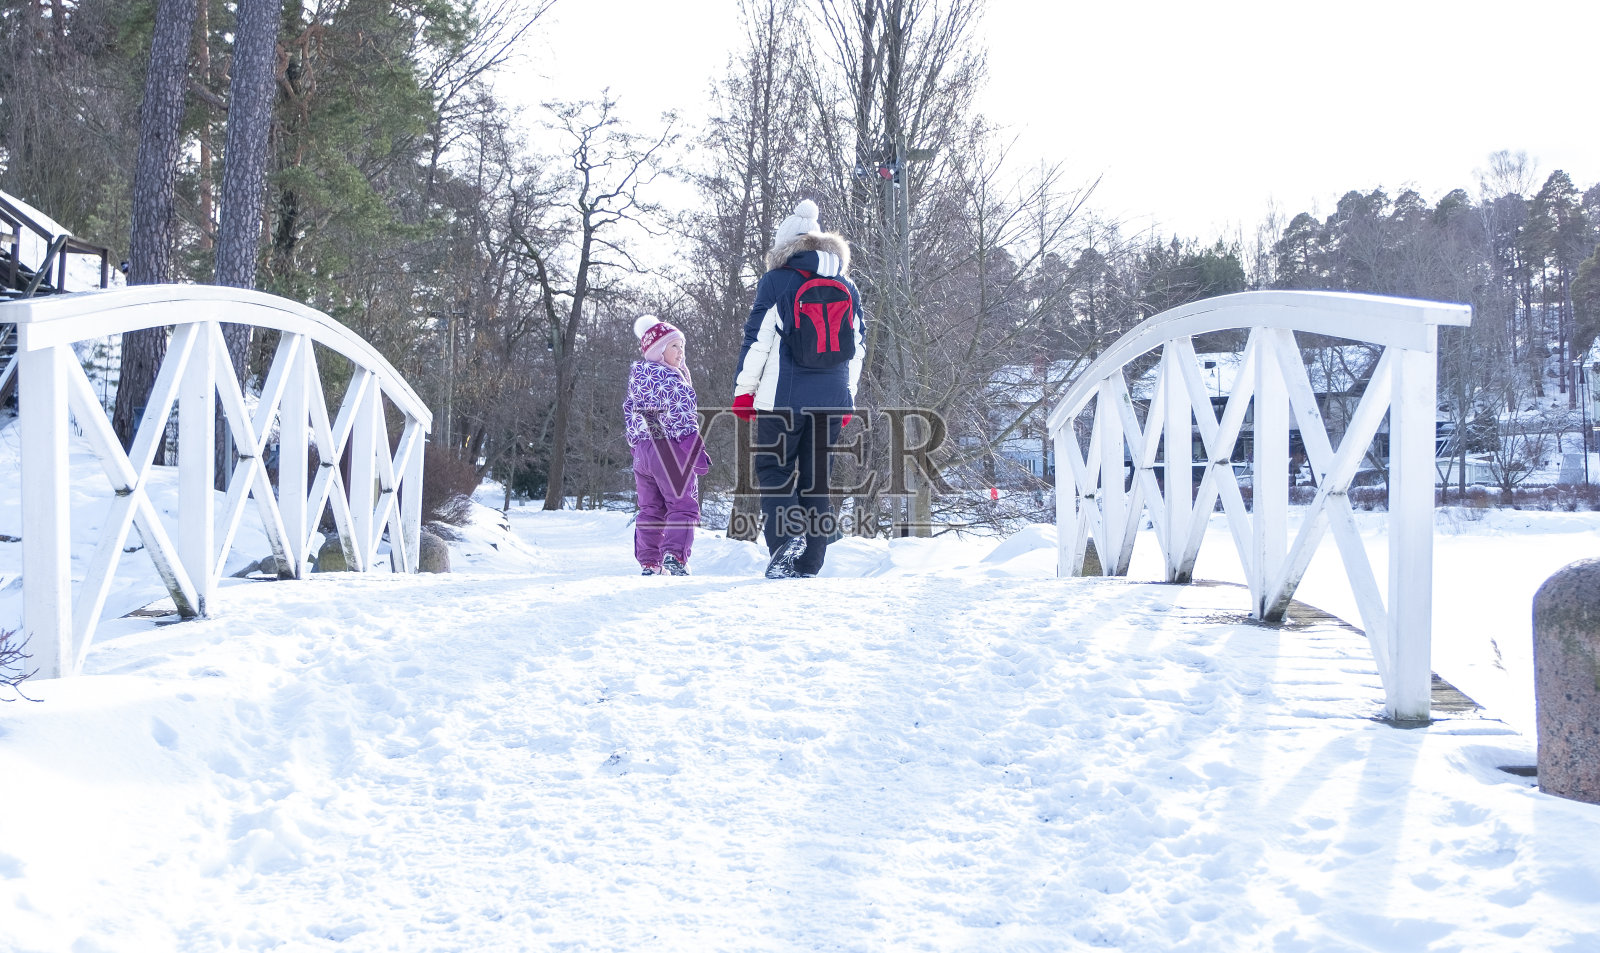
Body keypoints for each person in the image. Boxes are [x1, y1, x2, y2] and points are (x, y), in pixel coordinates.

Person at [731, 199, 866, 579]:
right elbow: (858, 348)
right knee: (816, 477)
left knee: (774, 469)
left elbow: (757, 340)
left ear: (784, 246)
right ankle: (810, 562)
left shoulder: (777, 282)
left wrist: (744, 391)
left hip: (782, 398)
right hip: (832, 398)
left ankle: (785, 543)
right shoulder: (847, 284)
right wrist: (847, 397)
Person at [624, 315, 709, 576]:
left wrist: (635, 446)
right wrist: (695, 450)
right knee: (682, 504)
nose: (681, 353)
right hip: (670, 449)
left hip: (643, 452)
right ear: (659, 351)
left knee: (650, 508)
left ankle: (650, 561)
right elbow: (683, 417)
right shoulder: (673, 381)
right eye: (674, 346)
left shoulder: (637, 380)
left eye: (682, 347)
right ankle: (674, 556)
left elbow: (629, 413)